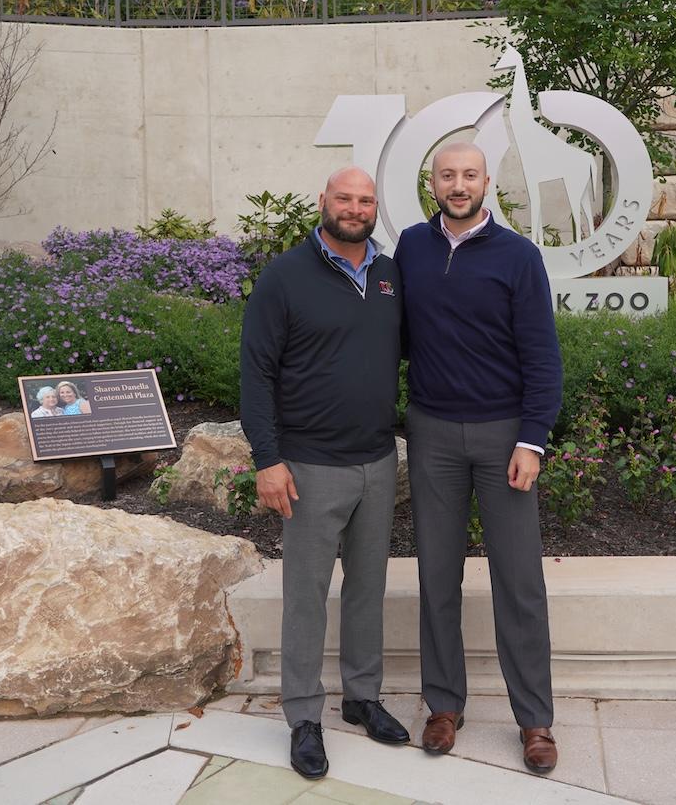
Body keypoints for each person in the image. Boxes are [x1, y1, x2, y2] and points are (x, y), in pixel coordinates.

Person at [393, 140, 563, 774]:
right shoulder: (412, 247)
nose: (458, 185)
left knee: (518, 582)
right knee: (437, 576)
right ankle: (443, 705)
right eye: (447, 175)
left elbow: (543, 358)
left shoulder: (519, 257)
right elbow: (395, 336)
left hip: (503, 438)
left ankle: (535, 720)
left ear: (487, 182)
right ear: (431, 183)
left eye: (468, 175)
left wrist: (532, 439)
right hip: (433, 433)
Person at [240, 166, 409, 780]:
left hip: (377, 460)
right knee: (305, 596)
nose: (356, 208)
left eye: (366, 200)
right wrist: (267, 459)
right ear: (323, 202)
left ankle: (363, 698)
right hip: (309, 465)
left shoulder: (390, 275)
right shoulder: (285, 277)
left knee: (368, 587)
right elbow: (256, 375)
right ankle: (305, 716)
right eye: (345, 197)